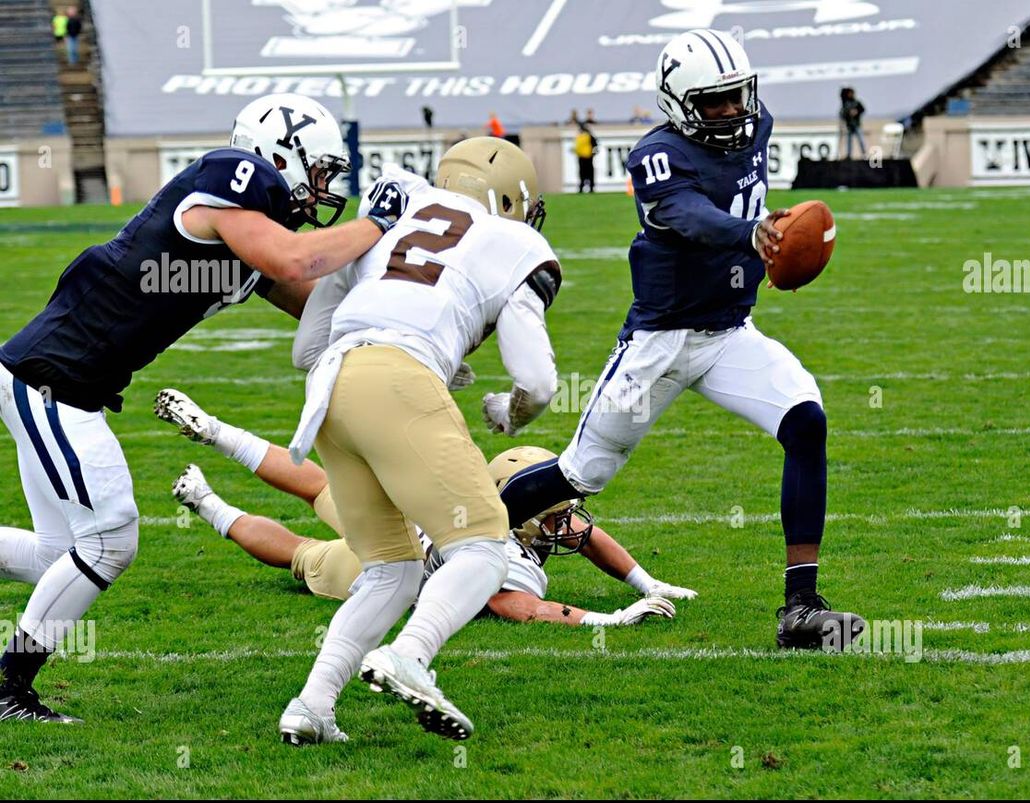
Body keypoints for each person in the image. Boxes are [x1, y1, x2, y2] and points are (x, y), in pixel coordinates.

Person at [0, 93, 405, 724]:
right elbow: (297, 259)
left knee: (63, 559)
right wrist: (377, 224)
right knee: (109, 540)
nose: (324, 188)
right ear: (280, 155)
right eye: (319, 170)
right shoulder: (232, 176)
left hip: (63, 381)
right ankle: (8, 688)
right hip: (54, 378)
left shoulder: (250, 233)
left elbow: (315, 305)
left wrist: (415, 324)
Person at [496, 29, 864, 654]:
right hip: (659, 342)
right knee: (581, 475)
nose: (730, 111)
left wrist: (779, 251)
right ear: (677, 101)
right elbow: (688, 216)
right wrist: (751, 235)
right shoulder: (656, 155)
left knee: (806, 420)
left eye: (735, 97)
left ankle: (801, 606)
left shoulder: (758, 125)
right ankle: (456, 539)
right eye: (713, 101)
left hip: (730, 333)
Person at [279, 137, 560, 745]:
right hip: (399, 384)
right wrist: (507, 413)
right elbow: (537, 381)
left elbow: (306, 348)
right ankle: (410, 655)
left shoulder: (391, 209)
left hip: (332, 391)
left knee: (391, 571)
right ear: (510, 198)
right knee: (484, 547)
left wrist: (429, 347)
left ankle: (311, 706)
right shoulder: (514, 240)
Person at [152, 391, 691, 623]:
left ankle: (217, 433)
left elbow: (588, 536)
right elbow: (515, 608)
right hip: (384, 567)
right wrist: (610, 617)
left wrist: (650, 586)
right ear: (522, 518)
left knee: (318, 485)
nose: (566, 526)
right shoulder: (514, 563)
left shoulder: (481, 501)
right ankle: (205, 501)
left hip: (406, 518)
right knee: (300, 553)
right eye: (551, 515)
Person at [839, 87, 867, 159]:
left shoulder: (856, 102)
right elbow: (842, 114)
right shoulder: (846, 104)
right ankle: (849, 155)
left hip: (856, 124)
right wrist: (848, 113)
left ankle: (864, 154)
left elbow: (863, 109)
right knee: (849, 141)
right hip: (849, 125)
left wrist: (856, 112)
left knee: (861, 140)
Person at [574, 123, 598, 193]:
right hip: (588, 157)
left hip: (581, 157)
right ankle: (590, 187)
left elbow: (577, 147)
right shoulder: (589, 136)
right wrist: (594, 154)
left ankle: (582, 187)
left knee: (582, 173)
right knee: (589, 173)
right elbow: (595, 145)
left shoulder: (579, 136)